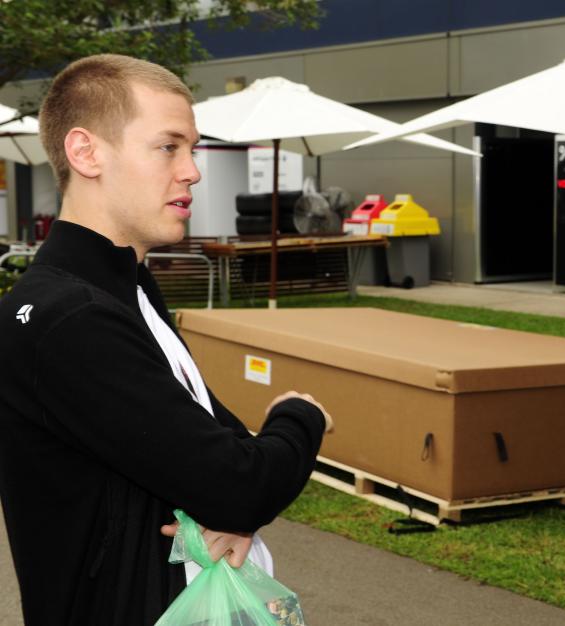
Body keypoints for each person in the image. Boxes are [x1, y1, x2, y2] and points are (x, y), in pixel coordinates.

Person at [0, 54, 333, 625]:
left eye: (192, 149)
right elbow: (241, 481)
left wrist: (232, 488)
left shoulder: (127, 288)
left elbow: (215, 446)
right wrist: (301, 415)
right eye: (168, 146)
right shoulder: (70, 319)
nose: (192, 171)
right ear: (86, 153)